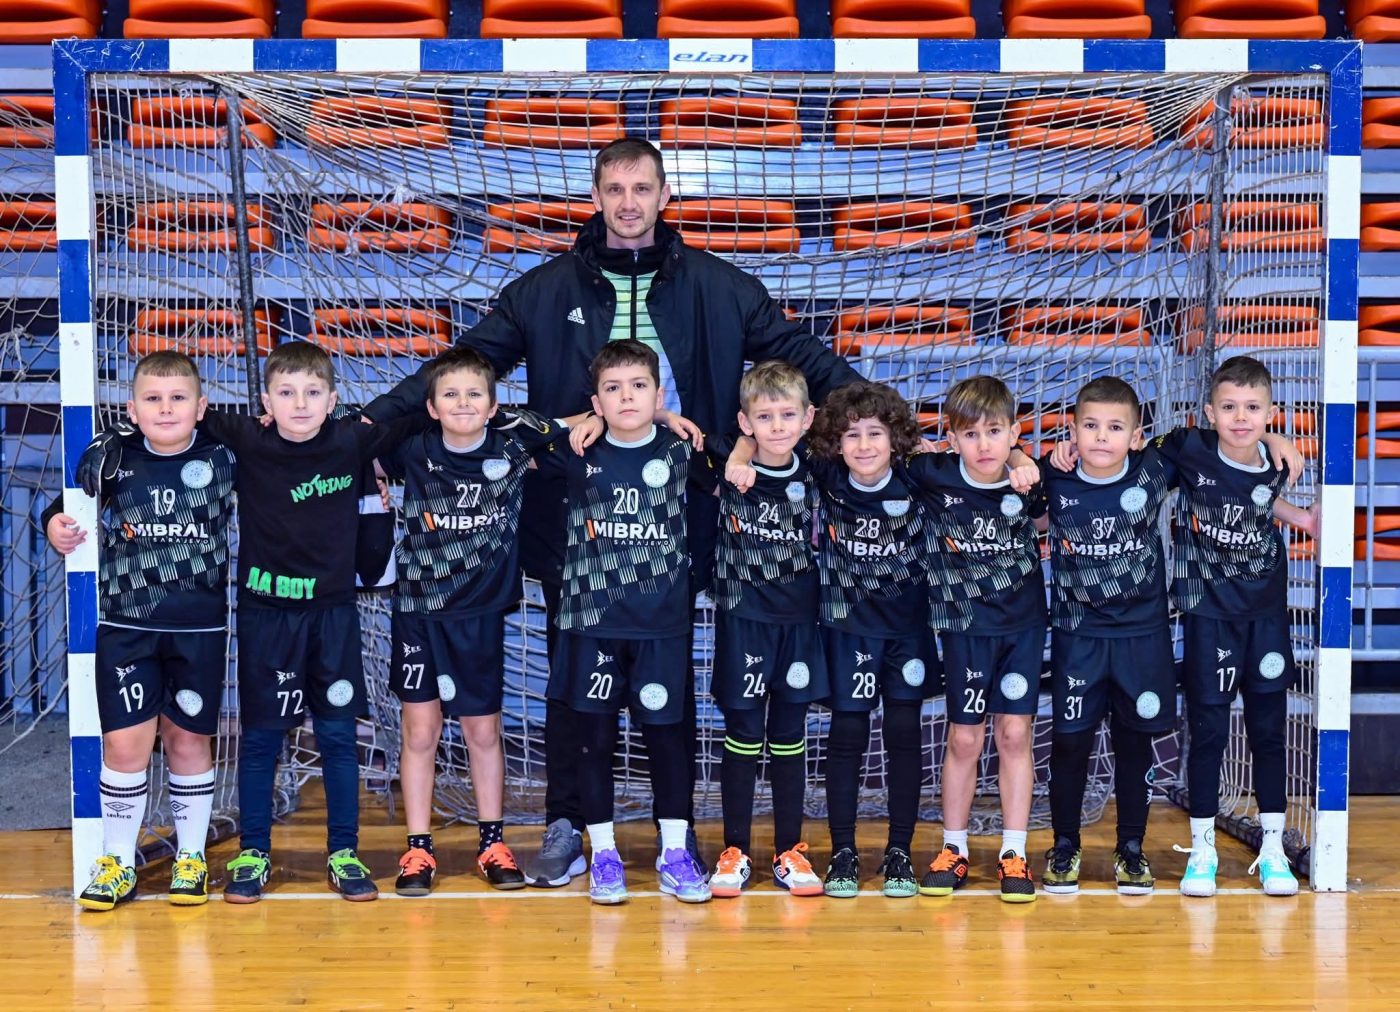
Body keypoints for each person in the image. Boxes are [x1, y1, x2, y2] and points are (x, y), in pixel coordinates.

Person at [361, 137, 860, 887]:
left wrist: (886, 421)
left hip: (682, 516)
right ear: (595, 197)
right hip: (578, 523)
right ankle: (568, 824)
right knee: (574, 688)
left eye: (642, 188)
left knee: (671, 684)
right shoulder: (542, 289)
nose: (629, 203)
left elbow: (805, 357)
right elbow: (461, 369)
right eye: (616, 189)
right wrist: (365, 427)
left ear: (664, 197)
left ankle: (676, 834)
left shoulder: (721, 287)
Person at [79, 342, 425, 903]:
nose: (300, 404)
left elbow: (423, 410)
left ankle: (344, 851)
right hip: (264, 616)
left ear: (333, 400)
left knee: (339, 738)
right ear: (265, 402)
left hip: (333, 616)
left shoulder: (351, 440)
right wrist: (113, 435)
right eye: (286, 393)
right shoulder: (245, 440)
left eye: (312, 393)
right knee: (260, 739)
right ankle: (254, 852)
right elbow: (173, 416)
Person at [1027, 376, 1302, 896]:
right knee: (1070, 743)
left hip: (1143, 634)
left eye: (1115, 427)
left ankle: (1131, 849)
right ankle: (1064, 846)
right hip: (1077, 634)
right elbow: (1016, 491)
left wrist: (1273, 438)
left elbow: (1229, 451)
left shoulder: (1158, 465)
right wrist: (1028, 459)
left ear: (1136, 437)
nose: (1101, 437)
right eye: (1090, 426)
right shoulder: (1053, 474)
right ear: (1072, 432)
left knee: (1135, 743)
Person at [377, 348, 589, 895]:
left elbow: (583, 422)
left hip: (480, 615)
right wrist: (367, 479)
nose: (463, 403)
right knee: (420, 731)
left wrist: (659, 415)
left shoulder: (514, 445)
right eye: (450, 394)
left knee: (482, 731)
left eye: (475, 394)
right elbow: (350, 451)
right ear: (431, 407)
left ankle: (492, 843)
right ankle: (418, 849)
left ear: (495, 406)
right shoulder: (412, 448)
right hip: (418, 612)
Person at [732, 379, 937, 899]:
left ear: (896, 438)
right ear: (835, 442)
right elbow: (755, 441)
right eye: (852, 435)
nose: (864, 445)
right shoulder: (825, 474)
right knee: (846, 737)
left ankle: (898, 851)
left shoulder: (920, 477)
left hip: (908, 635)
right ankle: (843, 850)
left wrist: (1021, 456)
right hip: (847, 632)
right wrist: (738, 451)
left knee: (904, 737)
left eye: (875, 434)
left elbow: (985, 466)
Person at [49, 351, 233, 910]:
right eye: (153, 399)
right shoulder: (113, 459)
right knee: (124, 745)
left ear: (201, 406)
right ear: (131, 408)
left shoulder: (225, 457)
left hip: (199, 628)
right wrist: (53, 523)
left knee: (187, 740)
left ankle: (191, 858)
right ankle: (118, 862)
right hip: (126, 628)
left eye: (178, 398)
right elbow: (66, 505)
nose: (166, 408)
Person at [1150, 356, 1316, 898]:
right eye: (1229, 407)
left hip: (1265, 617)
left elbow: (1260, 502)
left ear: (1269, 412)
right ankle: (1203, 851)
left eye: (1252, 408)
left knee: (1269, 734)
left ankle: (1273, 850)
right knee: (1209, 734)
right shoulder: (1188, 448)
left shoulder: (1279, 461)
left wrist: (1304, 514)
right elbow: (1133, 456)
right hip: (1208, 616)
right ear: (1209, 413)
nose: (1240, 418)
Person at [552, 340, 707, 905]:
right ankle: (604, 855)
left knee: (667, 741)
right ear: (596, 401)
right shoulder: (576, 448)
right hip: (591, 622)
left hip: (661, 624)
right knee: (593, 741)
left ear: (658, 394)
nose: (626, 397)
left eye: (639, 386)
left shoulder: (683, 449)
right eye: (612, 389)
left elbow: (753, 445)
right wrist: (585, 419)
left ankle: (674, 853)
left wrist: (665, 419)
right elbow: (509, 426)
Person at [901, 375, 1045, 904]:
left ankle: (1013, 852)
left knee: (1014, 735)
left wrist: (1024, 461)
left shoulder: (1030, 481)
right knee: (964, 738)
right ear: (951, 438)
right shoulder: (931, 473)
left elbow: (1050, 515)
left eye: (995, 432)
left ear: (1014, 432)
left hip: (1022, 626)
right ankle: (954, 847)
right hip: (963, 628)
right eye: (970, 434)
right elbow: (875, 452)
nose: (984, 444)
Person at [701, 360, 827, 898]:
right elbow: (675, 431)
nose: (777, 425)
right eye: (765, 416)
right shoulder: (726, 467)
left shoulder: (820, 468)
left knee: (790, 736)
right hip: (743, 622)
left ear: (807, 418)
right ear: (745, 421)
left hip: (799, 623)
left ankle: (789, 850)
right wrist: (737, 453)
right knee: (744, 733)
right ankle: (734, 850)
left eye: (787, 415)